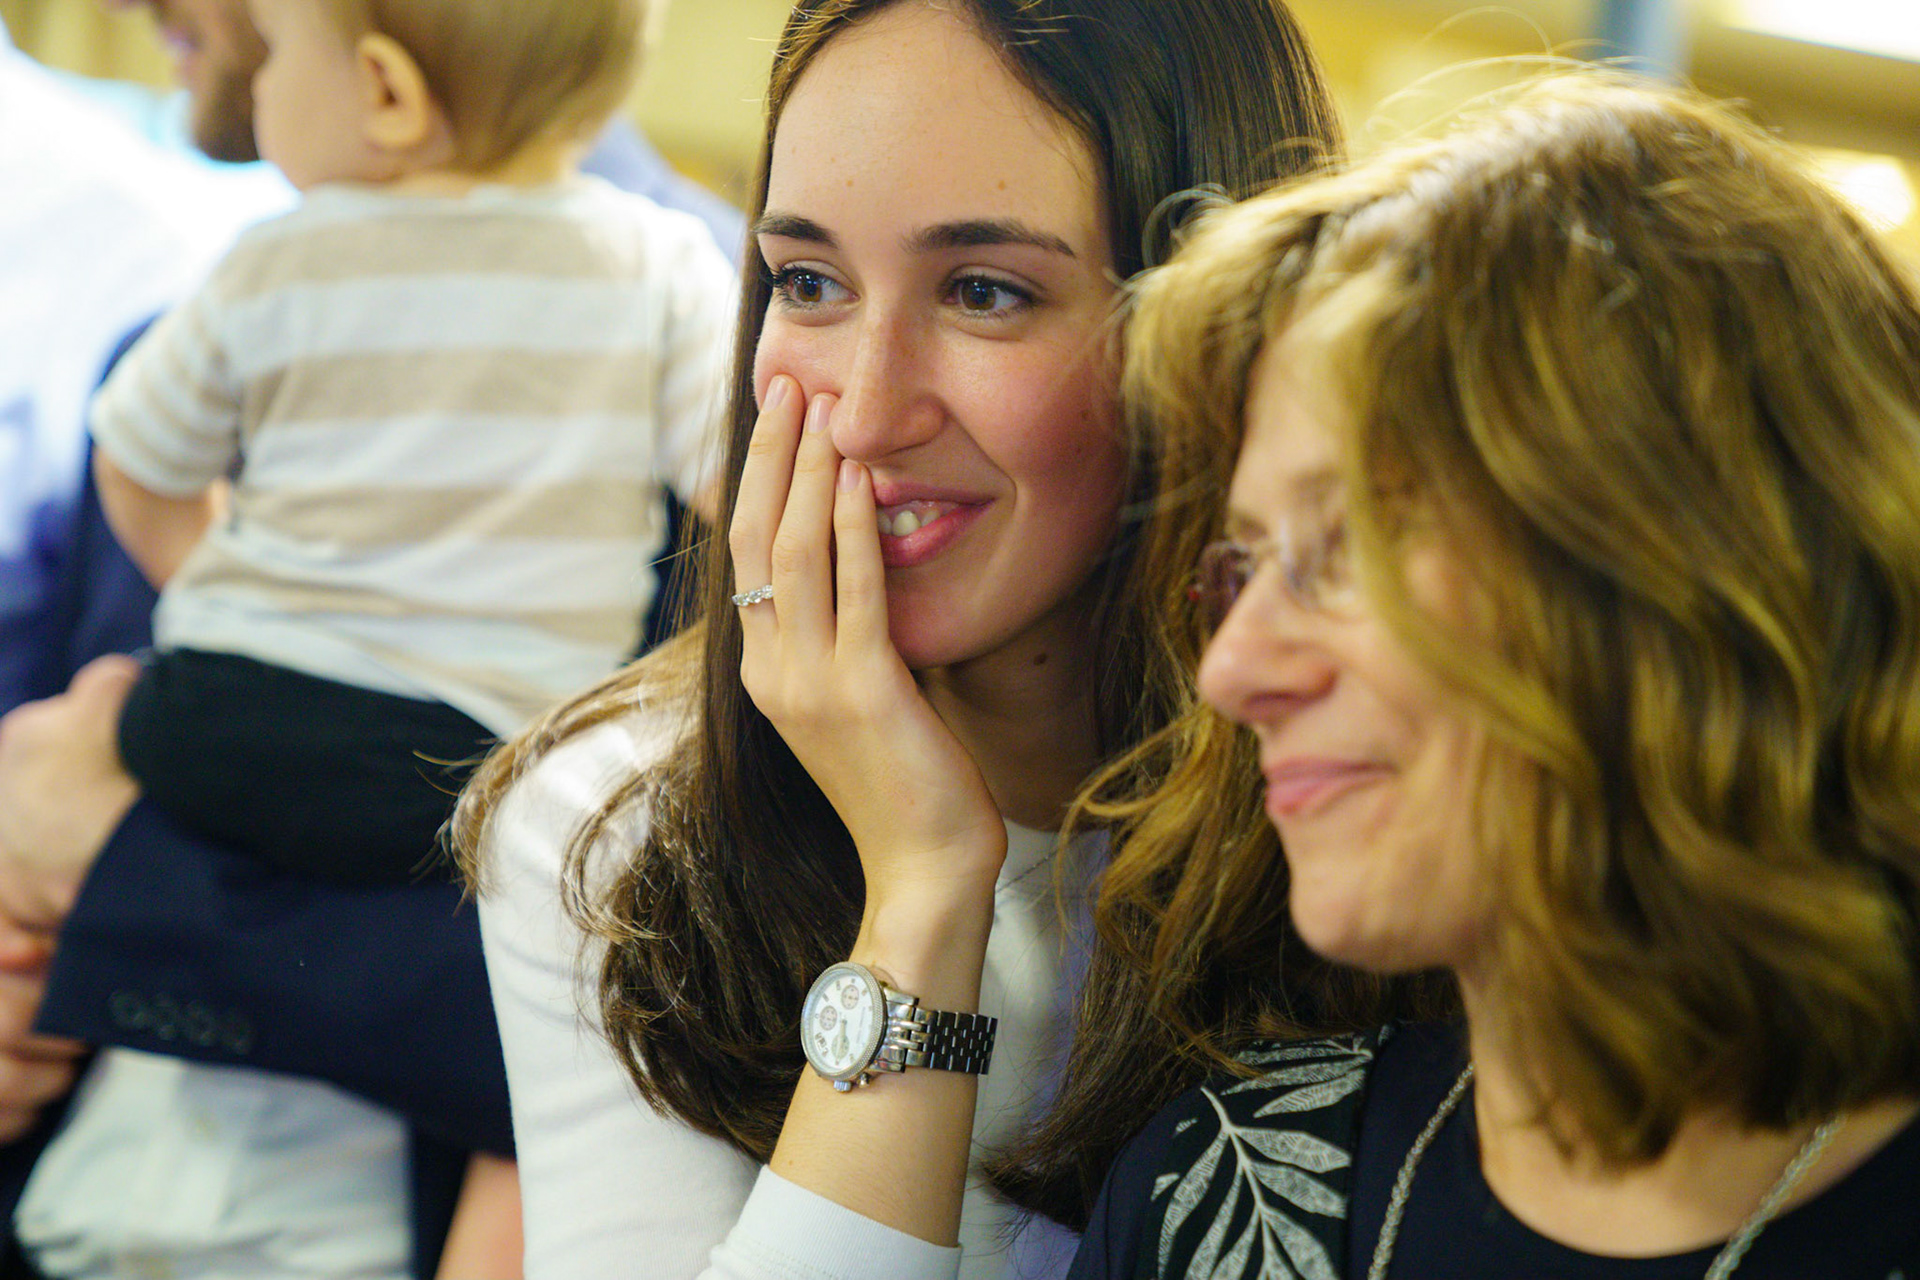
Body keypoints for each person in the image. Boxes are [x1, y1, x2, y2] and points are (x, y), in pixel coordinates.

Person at [452, 0, 1430, 1274]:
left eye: (984, 292)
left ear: (1213, 328)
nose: (864, 413)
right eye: (808, 282)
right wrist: (923, 886)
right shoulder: (613, 822)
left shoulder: (1380, 792)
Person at [1067, 71, 1920, 1278]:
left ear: (1681, 567)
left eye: (1349, 542)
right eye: (1242, 565)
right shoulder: (1205, 1204)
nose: (1235, 671)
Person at [90, 0, 731, 887]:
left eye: (275, 51)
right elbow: (745, 488)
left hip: (227, 720)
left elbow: (134, 462)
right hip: (494, 760)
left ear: (387, 93)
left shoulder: (272, 262)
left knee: (118, 724)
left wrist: (224, 593)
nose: (264, 83)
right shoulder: (660, 266)